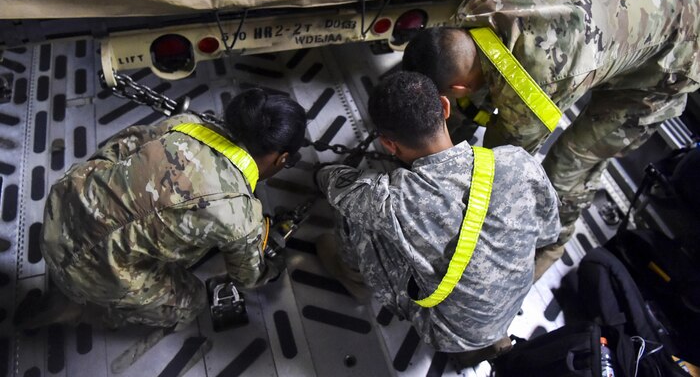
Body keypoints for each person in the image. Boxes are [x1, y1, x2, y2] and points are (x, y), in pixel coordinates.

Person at [402, 0, 700, 278]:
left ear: (456, 89)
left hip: (678, 50)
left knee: (569, 163)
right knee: (488, 83)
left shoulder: (530, 90)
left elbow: (503, 163)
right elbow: (475, 77)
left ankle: (551, 245)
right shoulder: (478, 6)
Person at [314, 71, 560, 366]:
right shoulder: (517, 161)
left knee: (352, 216)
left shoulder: (391, 200)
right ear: (445, 107)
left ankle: (351, 276)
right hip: (514, 298)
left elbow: (333, 183)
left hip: (449, 332)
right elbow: (548, 233)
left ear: (388, 144)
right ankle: (486, 332)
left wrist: (325, 172)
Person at [20, 88, 307, 330]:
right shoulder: (240, 215)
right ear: (281, 160)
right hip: (97, 275)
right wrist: (273, 264)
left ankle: (70, 285)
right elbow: (247, 277)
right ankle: (86, 311)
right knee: (191, 302)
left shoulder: (183, 124)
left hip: (58, 221)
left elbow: (112, 152)